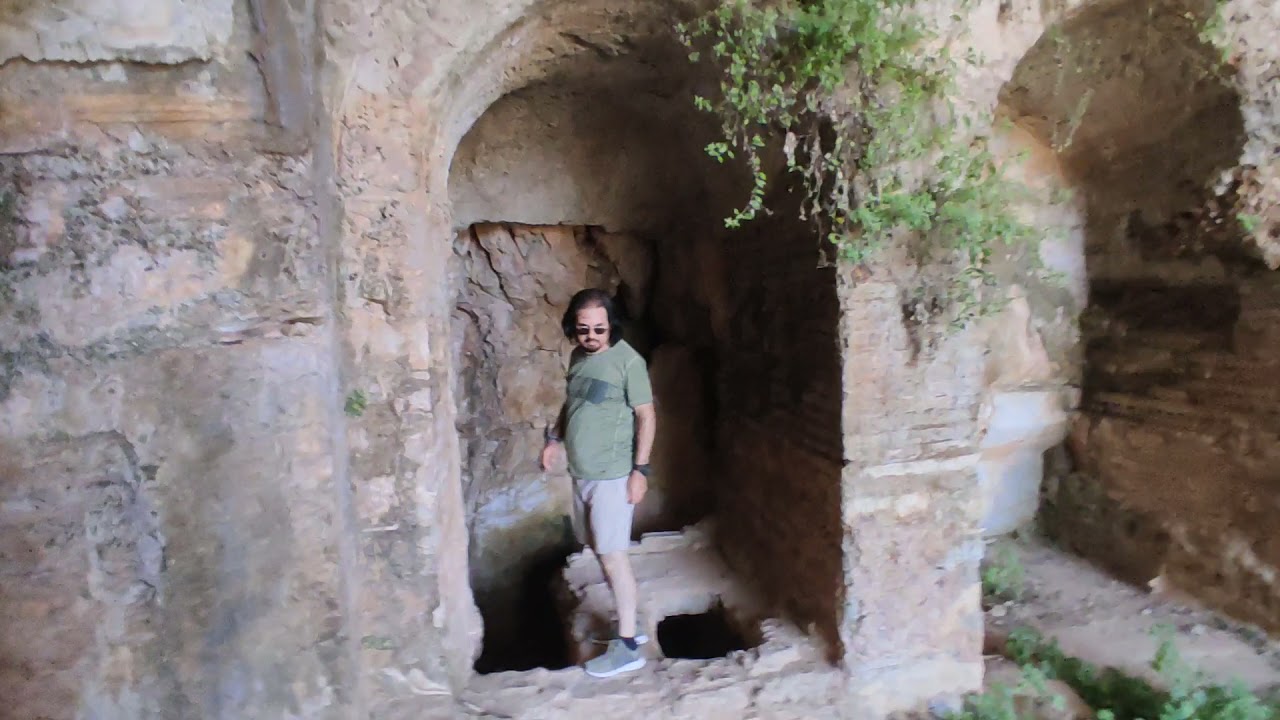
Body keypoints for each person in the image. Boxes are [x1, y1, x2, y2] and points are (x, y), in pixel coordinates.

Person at [540, 288, 656, 678]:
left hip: (612, 476)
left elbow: (646, 417)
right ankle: (631, 628)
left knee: (613, 556)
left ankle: (627, 647)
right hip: (582, 473)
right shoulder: (578, 358)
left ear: (612, 327)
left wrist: (641, 471)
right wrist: (555, 439)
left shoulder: (628, 362)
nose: (591, 336)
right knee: (602, 551)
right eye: (583, 328)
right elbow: (571, 403)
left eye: (599, 329)